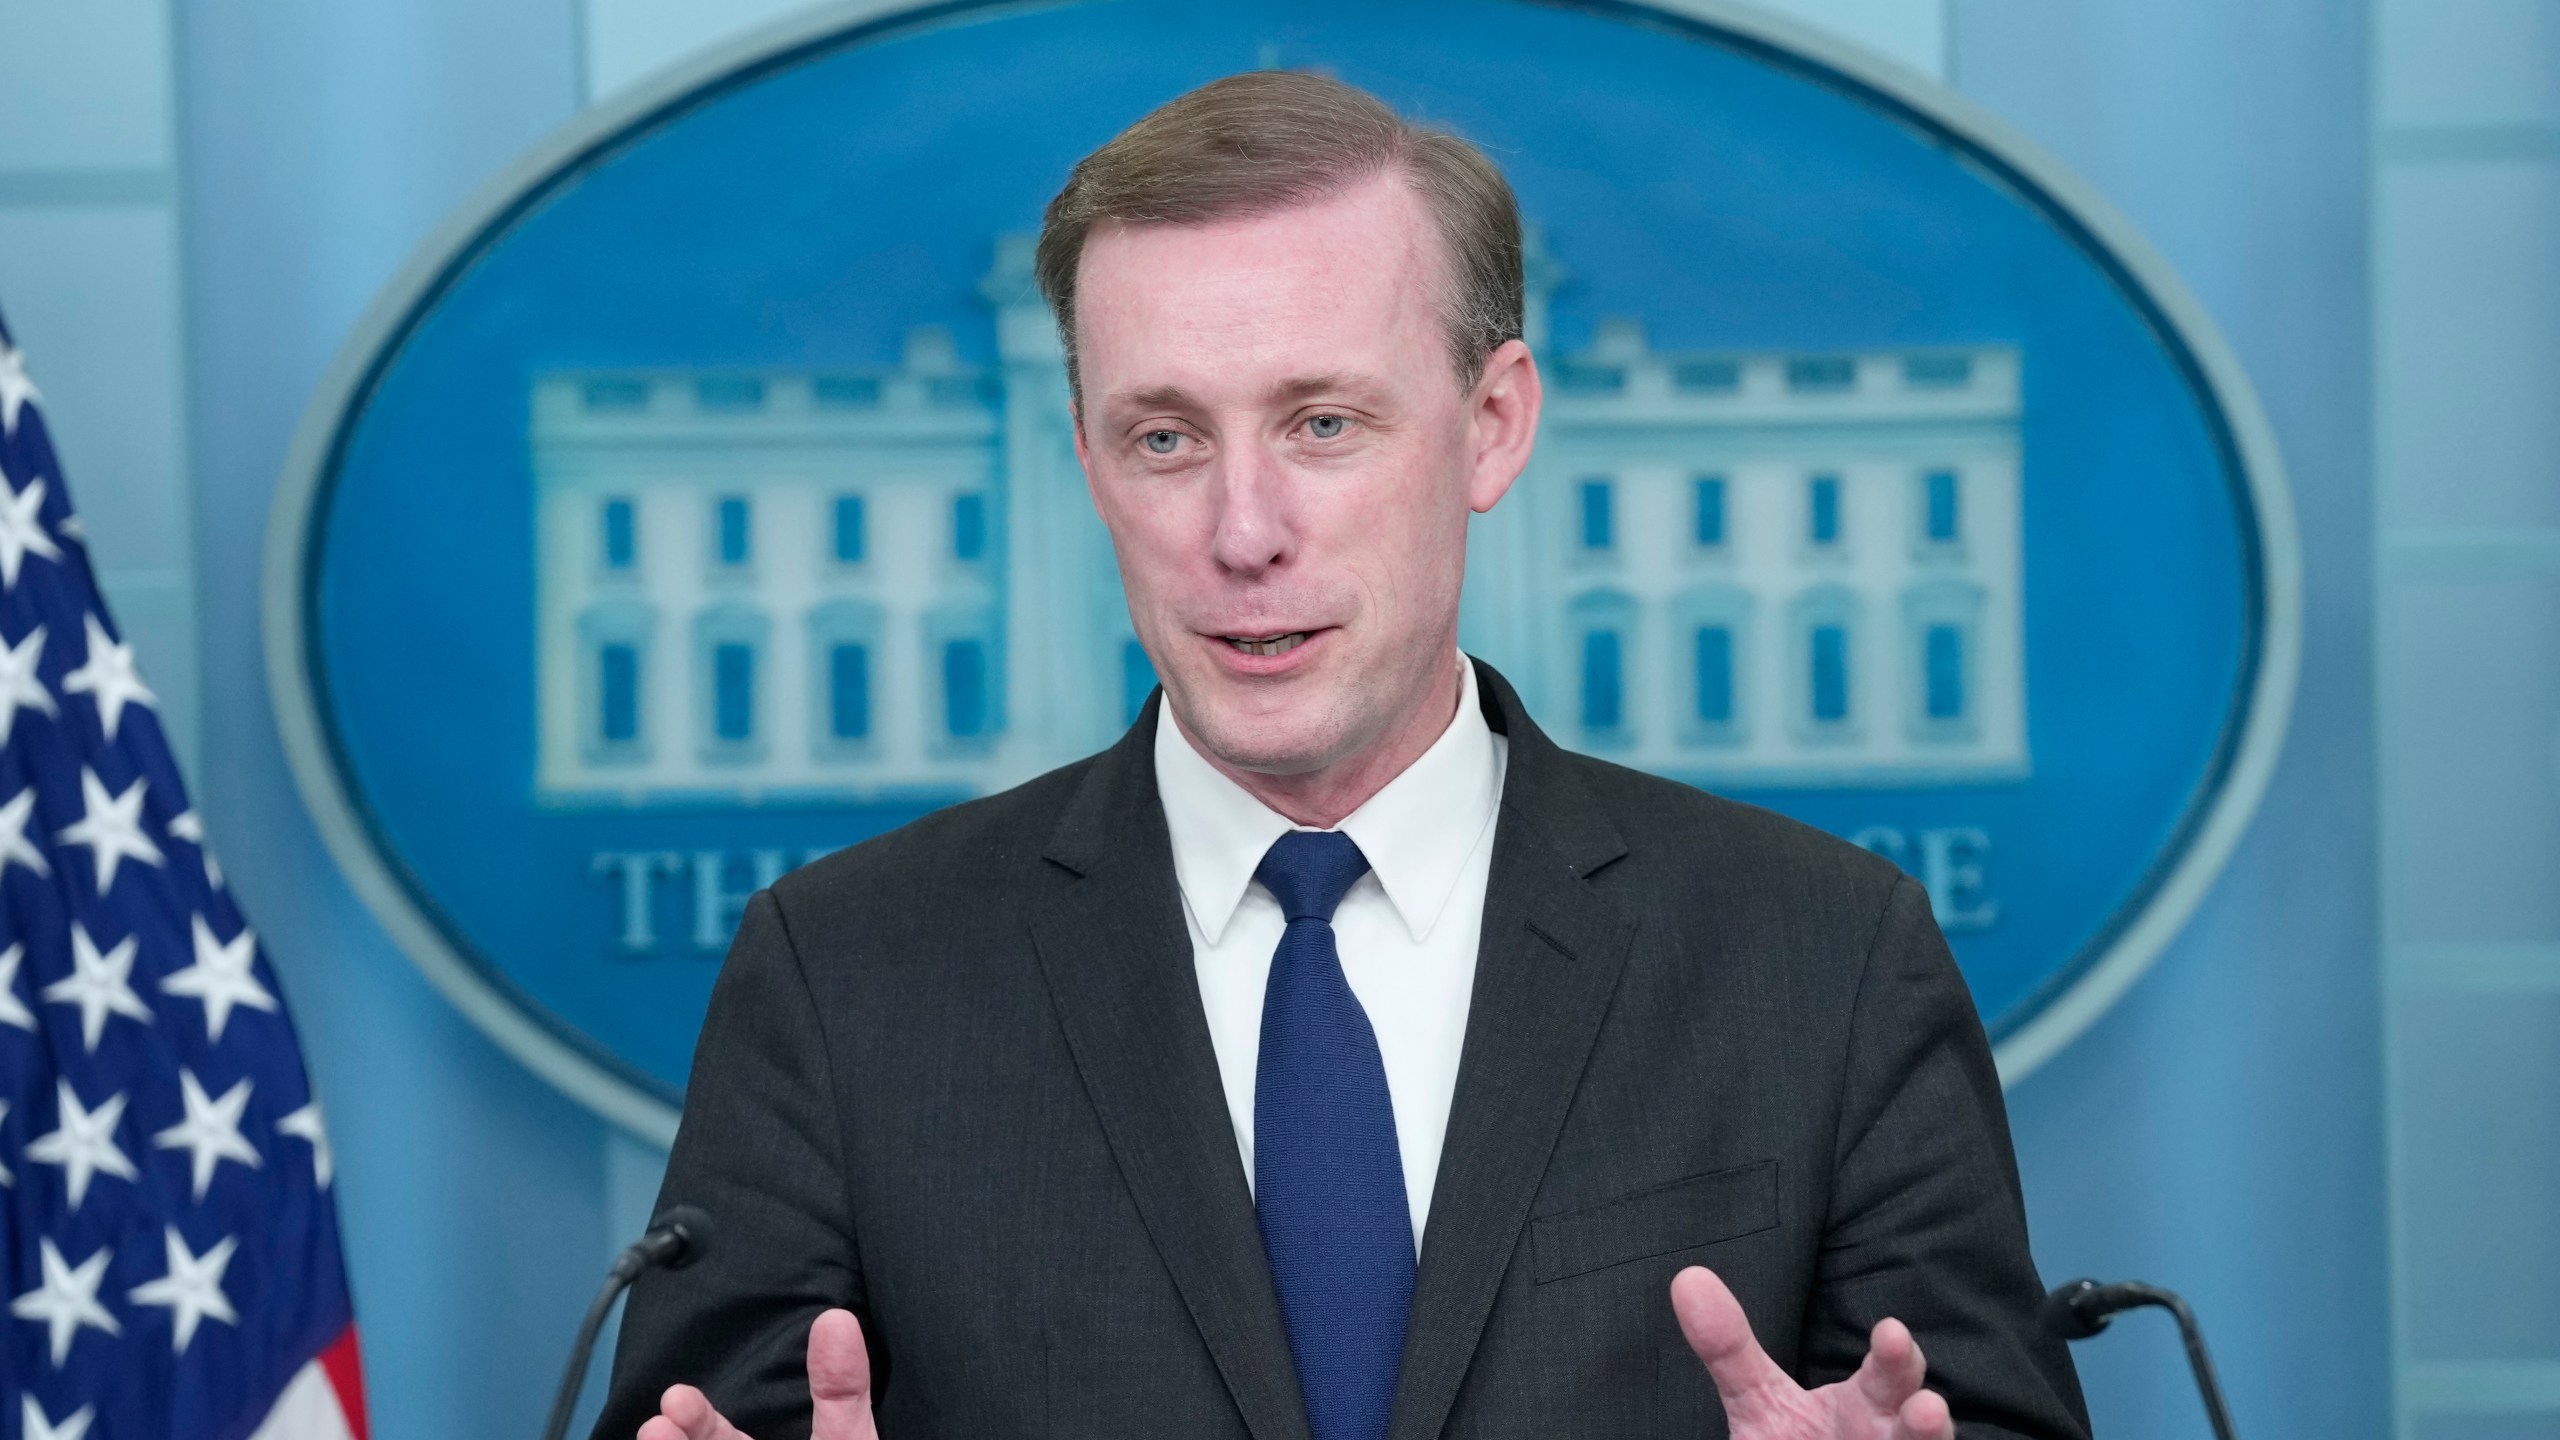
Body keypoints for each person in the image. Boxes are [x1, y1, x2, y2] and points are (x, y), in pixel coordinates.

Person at [597, 71, 2089, 1440]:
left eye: (1321, 423)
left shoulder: (1822, 961)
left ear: (1493, 426)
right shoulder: (848, 977)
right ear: (1087, 462)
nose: (1242, 533)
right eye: (1166, 439)